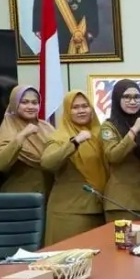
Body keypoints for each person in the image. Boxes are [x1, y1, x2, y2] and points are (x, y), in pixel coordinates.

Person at [40, 91, 108, 244]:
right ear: (67, 111)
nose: (81, 110)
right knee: (69, 256)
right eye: (75, 107)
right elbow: (47, 163)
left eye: (85, 106)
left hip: (99, 209)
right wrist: (74, 142)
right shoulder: (59, 137)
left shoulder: (100, 133)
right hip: (69, 213)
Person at [100, 79, 140, 222]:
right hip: (121, 201)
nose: (133, 101)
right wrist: (134, 130)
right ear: (117, 99)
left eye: (137, 97)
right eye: (127, 97)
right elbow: (113, 156)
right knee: (124, 237)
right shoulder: (109, 126)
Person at [0, 85, 55, 196]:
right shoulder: (9, 128)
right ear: (15, 104)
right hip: (20, 194)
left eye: (34, 103)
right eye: (24, 102)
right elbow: (0, 164)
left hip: (48, 192)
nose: (30, 107)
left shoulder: (46, 127)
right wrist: (22, 135)